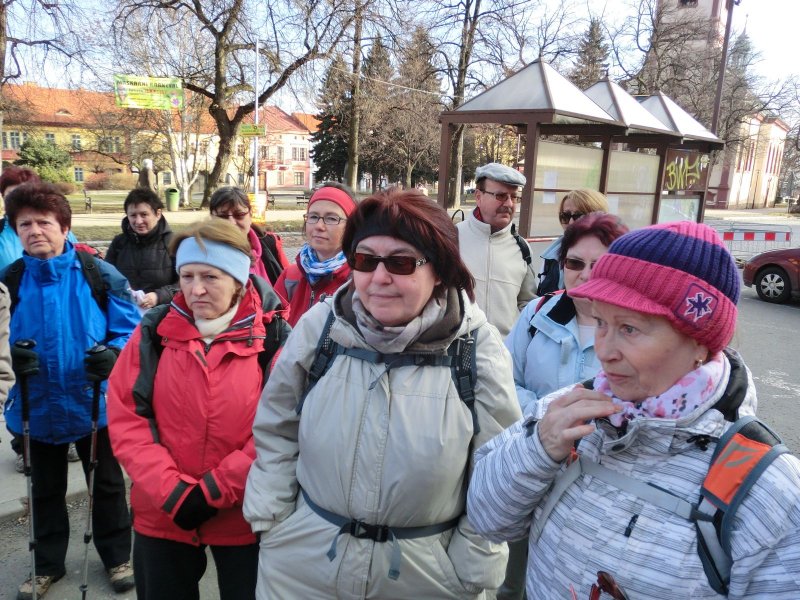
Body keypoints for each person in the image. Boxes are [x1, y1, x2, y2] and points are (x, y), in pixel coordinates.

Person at [467, 221, 800, 599]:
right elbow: (487, 520)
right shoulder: (569, 408)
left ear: (699, 343)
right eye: (602, 323)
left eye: (629, 328)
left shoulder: (766, 490)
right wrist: (538, 447)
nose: (604, 350)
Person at [244, 188, 521, 599]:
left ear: (440, 269)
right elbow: (277, 427)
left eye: (401, 262)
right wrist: (275, 520)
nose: (379, 278)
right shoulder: (321, 327)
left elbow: (497, 471)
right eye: (365, 260)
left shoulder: (474, 346)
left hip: (428, 576)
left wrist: (470, 563)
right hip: (303, 565)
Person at [107, 218, 291, 600]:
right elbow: (127, 416)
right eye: (187, 276)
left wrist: (212, 491)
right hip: (163, 513)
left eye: (211, 276)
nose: (196, 289)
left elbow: (283, 429)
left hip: (244, 515)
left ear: (239, 280)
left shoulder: (273, 338)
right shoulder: (155, 332)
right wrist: (172, 491)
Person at [1, 182, 139, 599]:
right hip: (36, 404)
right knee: (44, 489)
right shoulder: (11, 278)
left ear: (64, 227)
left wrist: (112, 354)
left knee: (108, 485)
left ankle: (117, 557)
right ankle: (47, 565)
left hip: (92, 398)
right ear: (15, 230)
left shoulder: (98, 273)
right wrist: (11, 356)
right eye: (25, 224)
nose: (35, 230)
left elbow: (131, 329)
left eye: (44, 222)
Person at [496, 212, 628, 600]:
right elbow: (504, 383)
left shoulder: (634, 329)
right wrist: (546, 414)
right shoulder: (537, 314)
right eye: (574, 263)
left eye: (599, 264)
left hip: (596, 483)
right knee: (511, 577)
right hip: (530, 461)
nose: (585, 274)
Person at [457, 162, 536, 337]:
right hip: (456, 354)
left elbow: (527, 305)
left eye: (514, 197)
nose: (509, 203)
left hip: (504, 357)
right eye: (500, 196)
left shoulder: (522, 248)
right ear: (478, 196)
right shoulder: (450, 239)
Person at [274, 182, 357, 327]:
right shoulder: (290, 277)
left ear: (351, 226)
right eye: (313, 217)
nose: (319, 226)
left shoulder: (357, 281)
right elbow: (270, 329)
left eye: (331, 218)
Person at [105, 188, 178, 311]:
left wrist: (159, 296)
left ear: (158, 214)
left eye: (144, 214)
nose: (138, 221)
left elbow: (186, 283)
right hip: (125, 313)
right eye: (133, 215)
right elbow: (106, 277)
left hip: (163, 313)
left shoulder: (173, 243)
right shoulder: (119, 243)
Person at [209, 186, 289, 286]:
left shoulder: (270, 243)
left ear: (250, 215)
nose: (231, 223)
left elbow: (289, 288)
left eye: (239, 215)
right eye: (222, 216)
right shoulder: (199, 251)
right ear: (212, 218)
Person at [536, 189, 609, 297]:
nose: (571, 222)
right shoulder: (551, 256)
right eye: (565, 216)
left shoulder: (610, 256)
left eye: (579, 216)